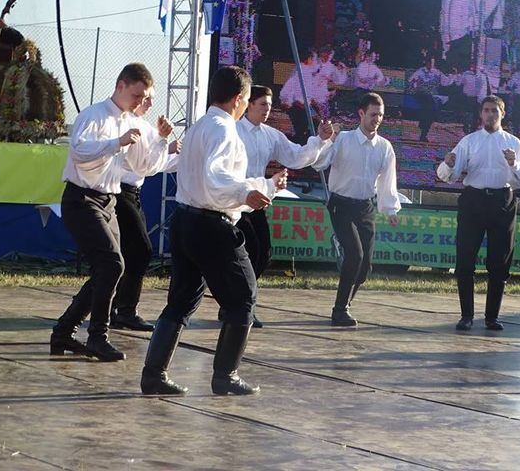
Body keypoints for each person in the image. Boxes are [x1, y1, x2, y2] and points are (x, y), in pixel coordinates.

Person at [140, 65, 288, 396]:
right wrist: (252, 190)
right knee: (244, 296)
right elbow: (218, 179)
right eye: (248, 99)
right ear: (239, 99)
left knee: (181, 300)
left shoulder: (199, 128)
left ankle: (154, 374)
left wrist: (263, 185)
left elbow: (205, 175)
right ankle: (225, 376)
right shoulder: (224, 131)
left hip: (187, 221)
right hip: (212, 224)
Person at [50, 63, 173, 362]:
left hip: (109, 199)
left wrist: (161, 140)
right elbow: (79, 153)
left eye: (144, 96)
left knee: (109, 267)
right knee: (112, 264)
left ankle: (64, 332)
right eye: (136, 94)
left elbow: (145, 166)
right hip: (82, 199)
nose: (140, 102)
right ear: (120, 86)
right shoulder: (94, 115)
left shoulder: (133, 122)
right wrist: (115, 143)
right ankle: (97, 336)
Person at [235, 85, 334, 327]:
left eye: (269, 105)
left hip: (257, 201)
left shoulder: (270, 134)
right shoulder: (233, 131)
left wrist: (320, 140)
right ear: (248, 105)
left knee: (264, 253)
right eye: (262, 105)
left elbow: (296, 156)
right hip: (233, 201)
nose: (267, 110)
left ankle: (239, 304)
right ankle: (238, 307)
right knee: (249, 253)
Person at [436, 95, 520, 331]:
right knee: (465, 259)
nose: (490, 114)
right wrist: (448, 164)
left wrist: (514, 164)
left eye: (495, 111)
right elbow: (447, 175)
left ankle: (491, 317)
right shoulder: (469, 141)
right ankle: (466, 315)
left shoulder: (513, 143)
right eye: (486, 110)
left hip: (502, 202)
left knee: (499, 263)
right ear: (481, 114)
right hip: (474, 201)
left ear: (502, 114)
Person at [313, 92, 401, 327]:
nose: (377, 119)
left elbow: (386, 181)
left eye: (381, 115)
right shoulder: (342, 139)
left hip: (365, 207)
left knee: (364, 268)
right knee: (355, 255)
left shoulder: (384, 147)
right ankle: (339, 310)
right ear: (361, 113)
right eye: (373, 114)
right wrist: (326, 140)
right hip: (340, 204)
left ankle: (346, 305)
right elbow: (319, 164)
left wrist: (390, 210)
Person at [111, 88, 181, 332]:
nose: (149, 103)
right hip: (119, 191)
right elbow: (140, 162)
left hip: (132, 193)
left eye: (151, 98)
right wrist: (163, 144)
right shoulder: (124, 123)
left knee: (125, 254)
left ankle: (117, 309)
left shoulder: (146, 127)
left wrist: (176, 151)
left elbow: (155, 165)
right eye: (144, 97)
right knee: (138, 250)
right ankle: (123, 309)